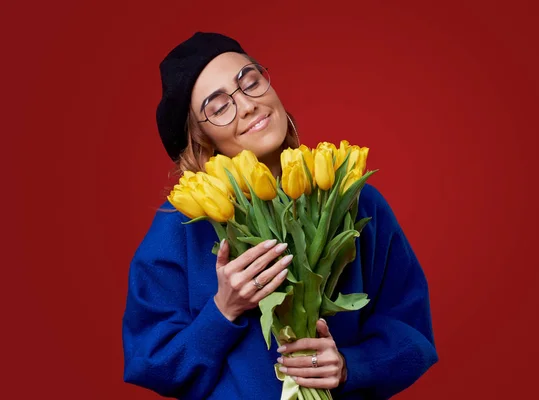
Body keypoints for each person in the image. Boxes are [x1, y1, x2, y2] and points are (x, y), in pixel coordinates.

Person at [122, 32, 438, 400]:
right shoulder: (179, 226)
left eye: (249, 82)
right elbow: (152, 363)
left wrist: (352, 365)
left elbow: (412, 330)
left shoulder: (353, 197)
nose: (247, 105)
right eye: (219, 106)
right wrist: (223, 310)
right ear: (201, 139)